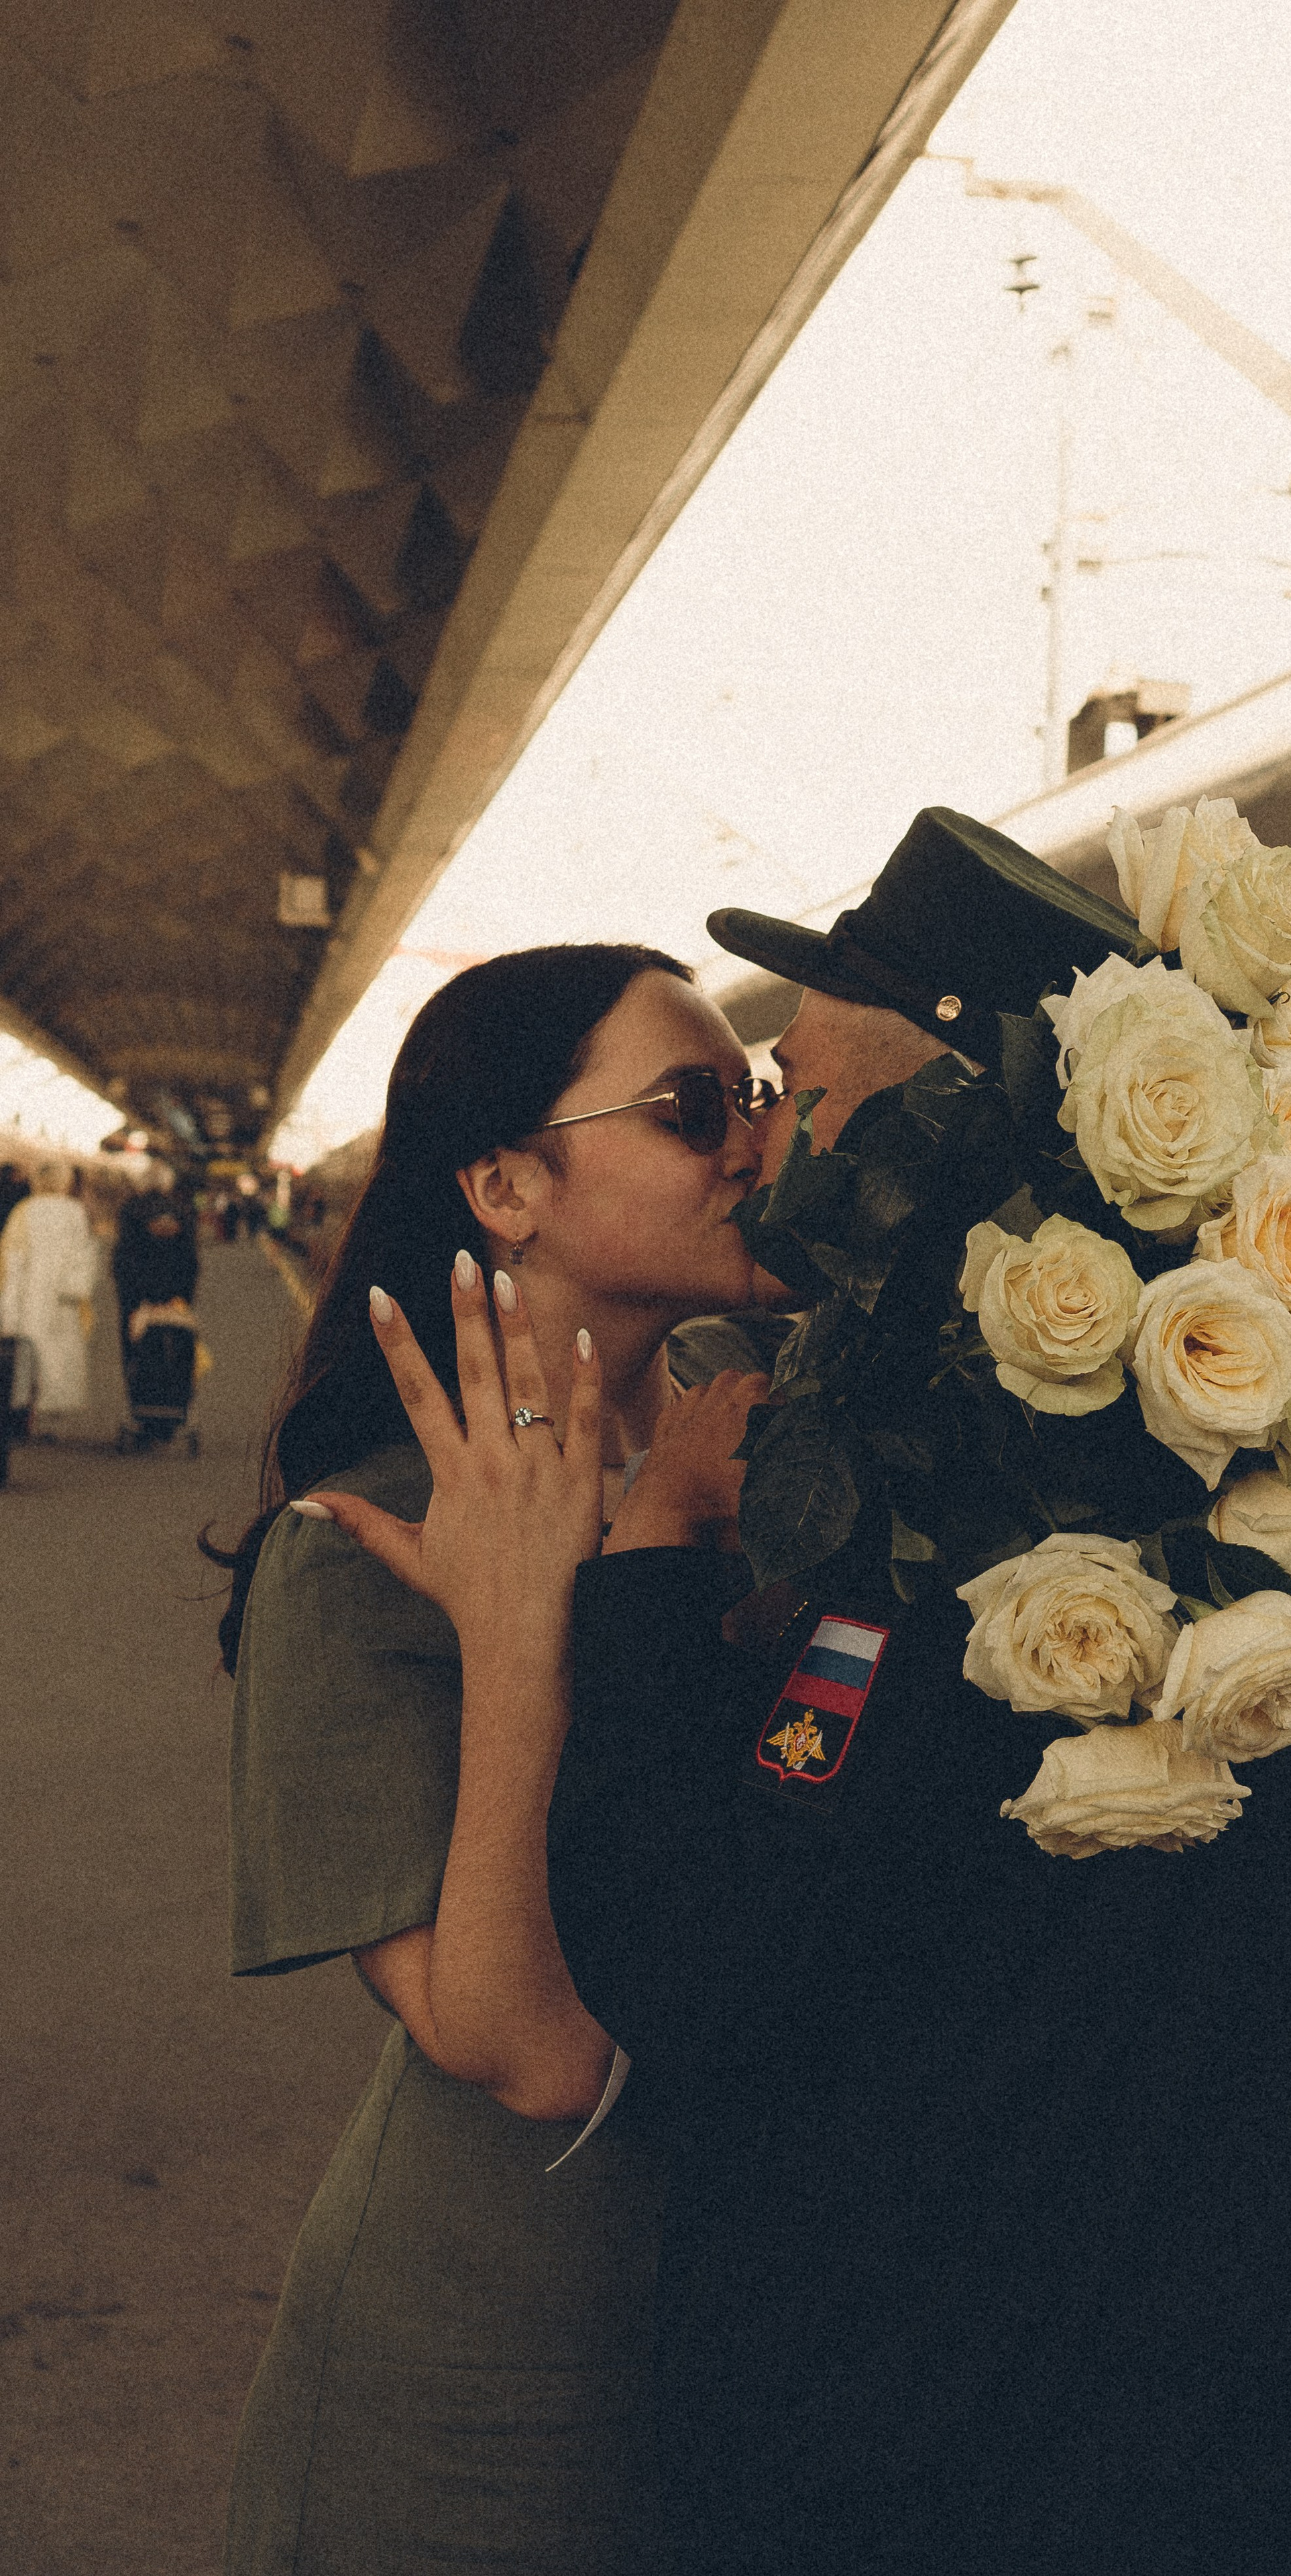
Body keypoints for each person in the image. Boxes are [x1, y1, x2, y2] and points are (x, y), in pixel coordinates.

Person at [545, 811, 1291, 2574]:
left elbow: (703, 1970)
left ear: (937, 1115)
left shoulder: (966, 1514)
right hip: (1168, 2468)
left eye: (788, 1084)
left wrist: (651, 1562)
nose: (765, 1139)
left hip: (934, 2477)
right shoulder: (1190, 1461)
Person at [211, 943, 773, 2576]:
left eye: (751, 1097)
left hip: (745, 2358)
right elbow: (524, 2047)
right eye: (690, 1107)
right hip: (487, 2397)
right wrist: (544, 1619)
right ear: (506, 1184)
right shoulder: (357, 1543)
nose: (749, 1140)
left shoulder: (760, 1460)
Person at [0, 1156, 98, 1430]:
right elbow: (84, 1254)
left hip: (30, 1296)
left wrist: (8, 1303)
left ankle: (25, 1413)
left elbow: (13, 1259)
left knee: (28, 1356)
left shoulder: (24, 1211)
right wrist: (76, 1288)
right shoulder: (76, 1212)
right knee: (60, 1355)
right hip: (63, 1299)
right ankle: (52, 1419)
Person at [113, 1187, 199, 1382]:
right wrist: (182, 1298)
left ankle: (139, 1386)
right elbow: (190, 1268)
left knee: (135, 1346)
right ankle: (178, 1389)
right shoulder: (182, 1222)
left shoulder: (132, 1224)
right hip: (175, 1302)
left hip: (138, 1304)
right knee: (180, 1346)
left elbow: (123, 1270)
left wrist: (133, 1302)